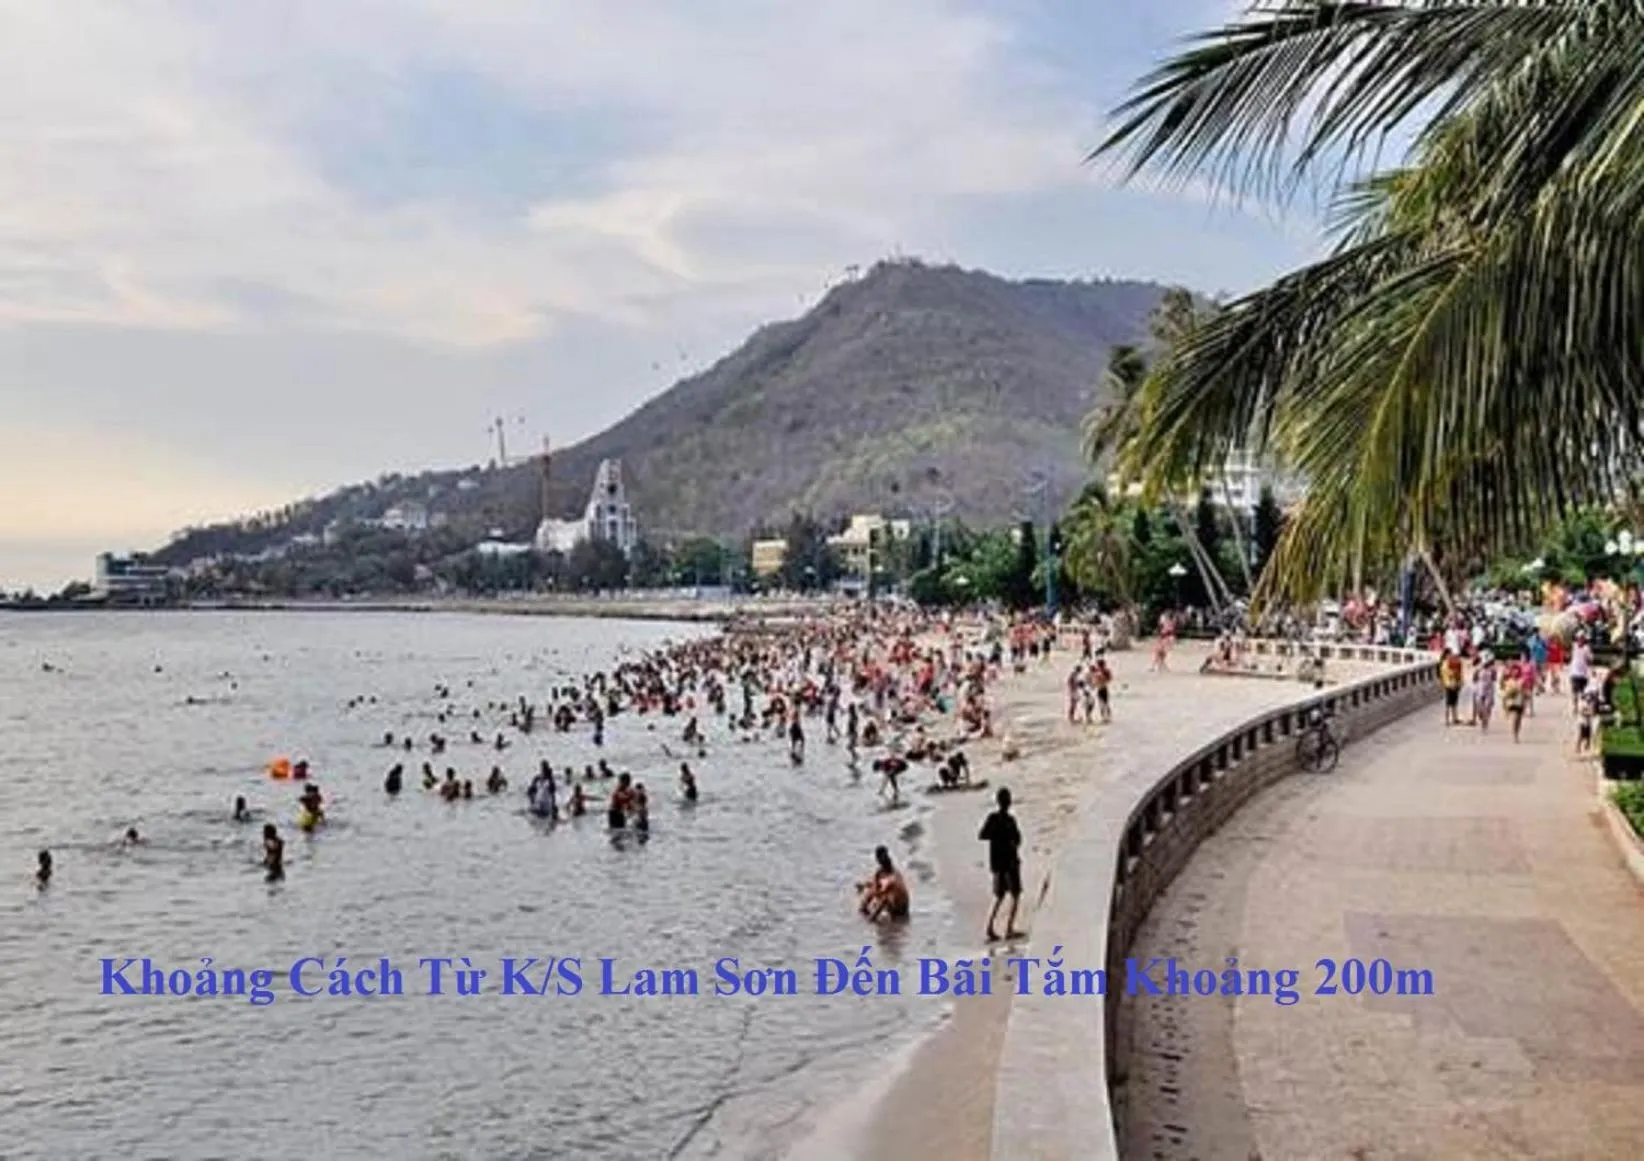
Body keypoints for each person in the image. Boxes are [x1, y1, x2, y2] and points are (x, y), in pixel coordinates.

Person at [978, 787, 1024, 942]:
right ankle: (1009, 928)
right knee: (1015, 895)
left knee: (999, 896)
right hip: (1010, 863)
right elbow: (1018, 841)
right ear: (1009, 802)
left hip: (997, 863)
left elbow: (982, 835)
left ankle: (989, 927)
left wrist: (995, 836)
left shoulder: (992, 818)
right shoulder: (1010, 821)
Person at [857, 845, 910, 922]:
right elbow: (876, 886)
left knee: (884, 898)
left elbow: (882, 893)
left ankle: (871, 919)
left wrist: (873, 892)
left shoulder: (894, 877)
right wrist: (865, 885)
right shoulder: (880, 872)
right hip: (889, 901)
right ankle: (863, 911)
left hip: (899, 908)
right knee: (871, 893)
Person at [1440, 650, 1465, 726]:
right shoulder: (1445, 664)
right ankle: (1447, 720)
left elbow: (1459, 674)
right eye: (1450, 654)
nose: (1451, 656)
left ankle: (1455, 718)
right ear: (1446, 655)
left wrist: (1460, 683)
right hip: (1449, 685)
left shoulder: (1454, 663)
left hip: (1455, 684)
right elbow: (1446, 675)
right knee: (1448, 703)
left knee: (1454, 703)